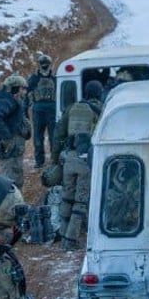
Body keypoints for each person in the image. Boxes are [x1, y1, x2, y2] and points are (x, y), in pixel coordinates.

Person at [52, 80, 103, 250]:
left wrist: (55, 159)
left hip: (69, 158)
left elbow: (58, 133)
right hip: (85, 159)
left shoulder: (72, 108)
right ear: (99, 93)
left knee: (67, 197)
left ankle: (63, 232)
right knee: (81, 201)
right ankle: (70, 240)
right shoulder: (101, 109)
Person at [26, 54, 58, 168]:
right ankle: (39, 161)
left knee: (54, 136)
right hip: (38, 110)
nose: (44, 66)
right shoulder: (33, 79)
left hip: (52, 109)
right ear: (39, 65)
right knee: (38, 137)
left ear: (49, 65)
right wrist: (25, 110)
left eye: (46, 63)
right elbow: (25, 93)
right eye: (42, 63)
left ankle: (55, 159)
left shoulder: (55, 78)